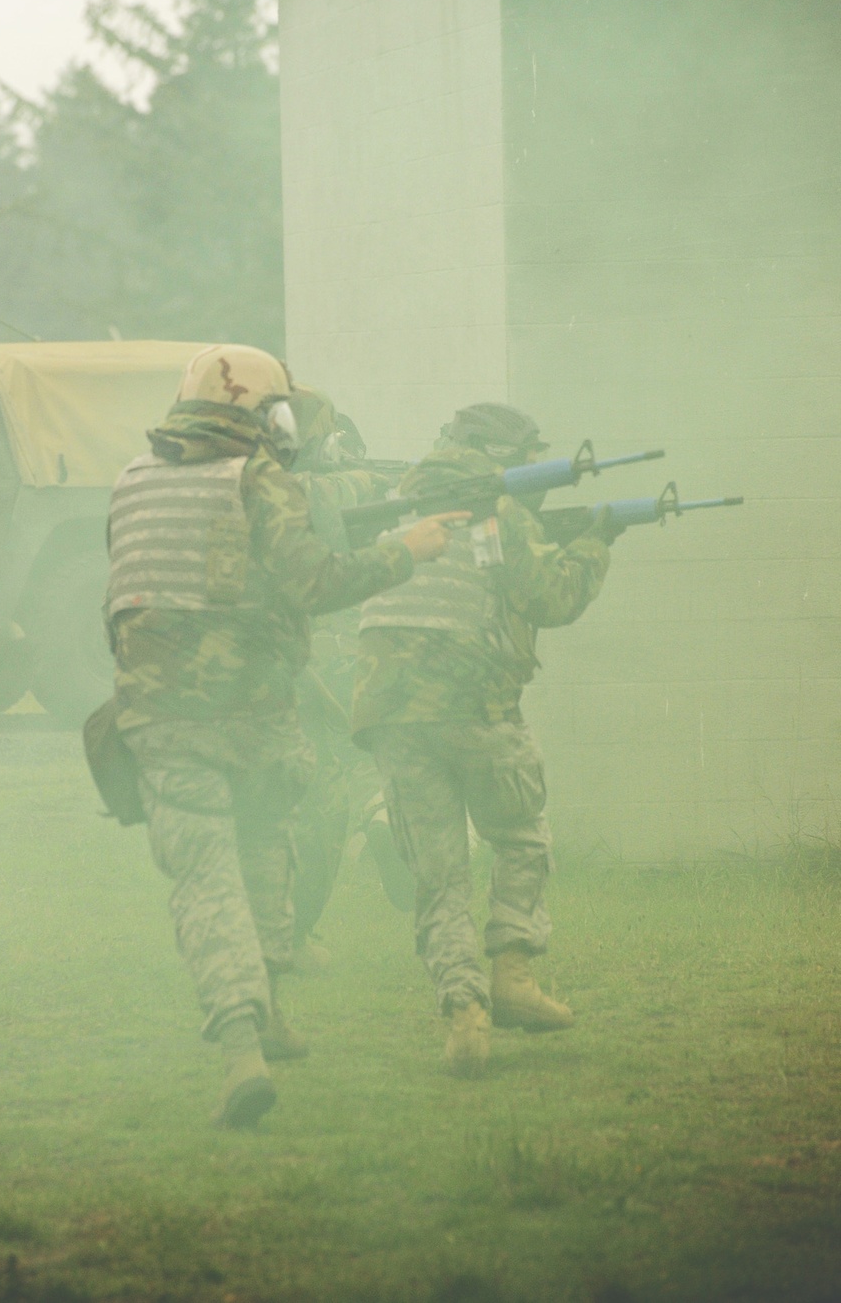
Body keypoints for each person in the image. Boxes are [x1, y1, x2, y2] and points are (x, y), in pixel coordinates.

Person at [106, 344, 462, 1128]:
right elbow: (315, 583)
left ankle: (260, 1020)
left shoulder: (132, 481)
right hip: (251, 719)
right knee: (244, 868)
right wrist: (409, 548)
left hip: (163, 721)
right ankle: (242, 1051)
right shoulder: (258, 478)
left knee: (246, 863)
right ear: (268, 417)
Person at [351, 402, 617, 1078]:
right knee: (521, 839)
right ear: (503, 455)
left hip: (393, 718)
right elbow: (550, 600)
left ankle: (464, 1017)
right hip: (477, 709)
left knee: (438, 875)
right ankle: (513, 978)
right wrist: (595, 542)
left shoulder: (394, 501)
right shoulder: (497, 506)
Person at [287, 387, 400, 962]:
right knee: (334, 778)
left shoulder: (257, 478)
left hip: (285, 656)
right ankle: (381, 812)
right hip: (321, 648)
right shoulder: (311, 487)